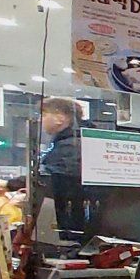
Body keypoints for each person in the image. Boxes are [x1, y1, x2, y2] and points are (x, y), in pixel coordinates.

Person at [37, 97, 87, 233]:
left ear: (60, 118)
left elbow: (51, 179)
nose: (41, 119)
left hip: (70, 223)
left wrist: (9, 184)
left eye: (44, 114)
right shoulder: (72, 141)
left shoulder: (70, 146)